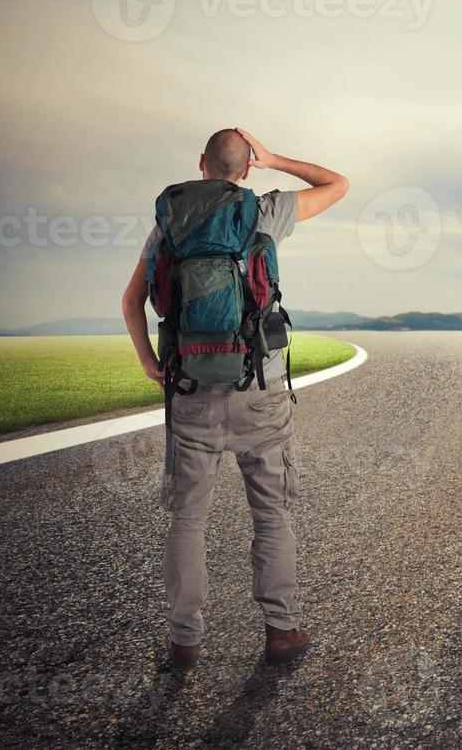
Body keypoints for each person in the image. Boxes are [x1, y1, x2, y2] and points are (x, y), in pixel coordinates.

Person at [121, 127, 348, 669]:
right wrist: (274, 159)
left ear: (200, 163)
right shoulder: (264, 211)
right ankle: (282, 631)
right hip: (259, 390)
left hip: (191, 390)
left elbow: (132, 303)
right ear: (247, 169)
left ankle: (184, 641)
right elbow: (338, 184)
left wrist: (151, 363)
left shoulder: (168, 224)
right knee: (270, 515)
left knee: (187, 521)